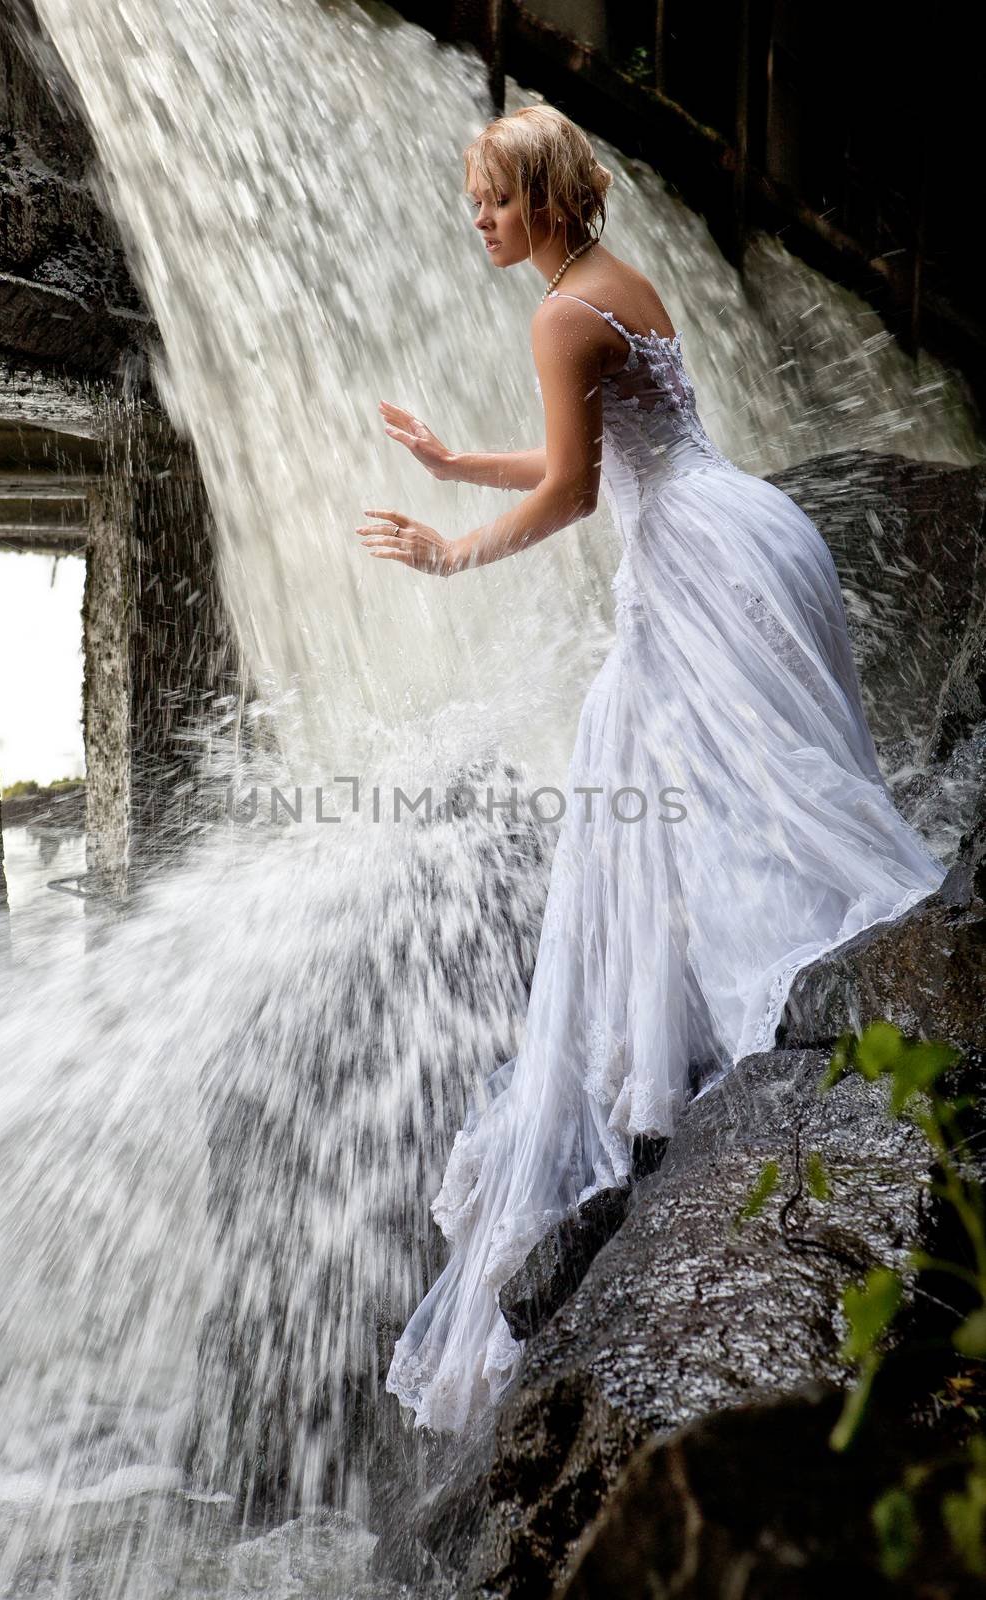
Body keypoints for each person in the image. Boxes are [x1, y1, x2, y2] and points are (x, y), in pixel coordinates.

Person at [354, 106, 947, 1433]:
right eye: (477, 203)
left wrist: (452, 554)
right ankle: (814, 1011)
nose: (480, 224)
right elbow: (611, 447)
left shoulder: (558, 314)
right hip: (744, 533)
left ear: (548, 201)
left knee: (720, 795)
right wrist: (458, 460)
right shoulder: (610, 286)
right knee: (742, 785)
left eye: (496, 203)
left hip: (693, 563)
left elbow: (574, 493)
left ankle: (794, 1032)